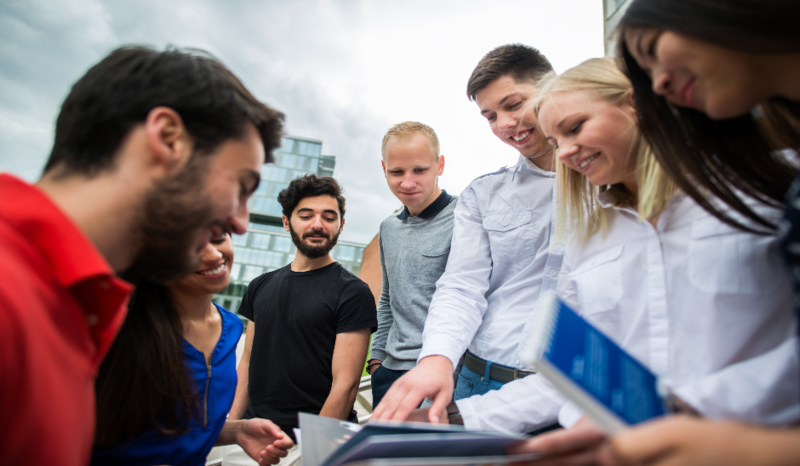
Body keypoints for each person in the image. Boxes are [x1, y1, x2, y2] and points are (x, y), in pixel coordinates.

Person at [509, 56, 800, 465]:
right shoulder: (587, 238)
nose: (566, 153)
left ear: (637, 105)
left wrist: (680, 407)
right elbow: (574, 374)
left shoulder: (767, 185)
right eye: (556, 142)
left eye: (575, 127)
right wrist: (459, 416)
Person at [0, 46, 283, 466]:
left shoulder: (79, 300)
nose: (239, 223)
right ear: (168, 138)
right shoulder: (12, 294)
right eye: (241, 185)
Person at [373, 44, 567, 434]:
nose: (504, 125)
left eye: (514, 105)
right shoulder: (483, 196)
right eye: (490, 116)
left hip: (570, 392)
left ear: (554, 89)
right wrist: (436, 358)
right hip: (477, 379)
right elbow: (461, 285)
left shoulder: (612, 182)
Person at [92, 234, 293, 466]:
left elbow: (180, 427)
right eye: (192, 245)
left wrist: (236, 431)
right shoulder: (122, 328)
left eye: (218, 238)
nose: (215, 255)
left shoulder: (232, 326)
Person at [224, 174, 378, 466]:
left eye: (328, 217)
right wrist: (234, 428)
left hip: (314, 443)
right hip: (251, 439)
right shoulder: (260, 286)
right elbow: (246, 363)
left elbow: (345, 386)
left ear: (341, 226)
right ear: (286, 222)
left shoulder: (353, 292)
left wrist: (315, 452)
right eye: (306, 215)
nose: (317, 224)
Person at [367, 121, 458, 408]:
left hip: (444, 372)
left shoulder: (466, 218)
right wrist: (376, 360)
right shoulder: (388, 228)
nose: (407, 182)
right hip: (389, 375)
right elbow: (388, 299)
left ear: (440, 165)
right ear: (384, 169)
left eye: (420, 170)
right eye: (396, 172)